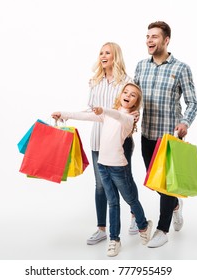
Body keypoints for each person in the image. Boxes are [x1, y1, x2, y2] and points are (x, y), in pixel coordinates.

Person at [52, 82, 152, 257]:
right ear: (121, 95)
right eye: (126, 92)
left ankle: (143, 225)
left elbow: (117, 115)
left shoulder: (128, 119)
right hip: (103, 165)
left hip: (118, 167)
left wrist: (104, 110)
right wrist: (63, 114)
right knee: (112, 202)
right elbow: (84, 116)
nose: (128, 95)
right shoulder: (106, 115)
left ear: (136, 103)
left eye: (133, 95)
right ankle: (114, 240)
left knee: (130, 200)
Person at [134, 21, 197, 248]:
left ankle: (163, 229)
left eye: (154, 37)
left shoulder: (181, 68)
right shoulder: (141, 66)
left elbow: (193, 103)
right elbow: (133, 97)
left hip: (169, 138)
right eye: (147, 36)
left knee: (165, 186)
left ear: (166, 40)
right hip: (146, 135)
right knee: (154, 182)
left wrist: (185, 122)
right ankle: (175, 205)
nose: (149, 41)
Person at [85, 42, 139, 246]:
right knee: (100, 186)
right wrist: (66, 116)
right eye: (100, 53)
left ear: (115, 56)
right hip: (98, 140)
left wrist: (135, 115)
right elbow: (91, 110)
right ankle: (101, 229)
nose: (103, 56)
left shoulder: (126, 82)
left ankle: (135, 217)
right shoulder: (95, 81)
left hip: (120, 142)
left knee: (125, 181)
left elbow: (134, 105)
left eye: (107, 52)